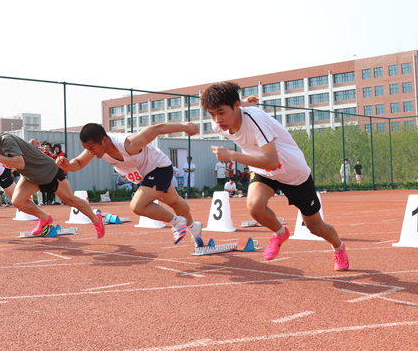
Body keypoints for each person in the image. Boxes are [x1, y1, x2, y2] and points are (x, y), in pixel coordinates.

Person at [201, 81, 348, 270]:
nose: (217, 120)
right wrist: (244, 102)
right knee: (254, 206)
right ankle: (280, 233)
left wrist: (231, 155)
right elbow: (267, 165)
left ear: (235, 107)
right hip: (265, 171)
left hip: (293, 172)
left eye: (221, 113)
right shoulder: (220, 124)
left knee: (315, 226)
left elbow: (272, 160)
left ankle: (339, 246)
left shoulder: (255, 120)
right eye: (212, 115)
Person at [59, 122, 202, 245]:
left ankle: (177, 222)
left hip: (159, 168)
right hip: (145, 177)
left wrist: (185, 127)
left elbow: (157, 129)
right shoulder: (96, 149)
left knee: (137, 206)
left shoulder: (128, 144)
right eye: (87, 149)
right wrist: (67, 165)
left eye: (91, 149)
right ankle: (195, 229)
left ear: (104, 140)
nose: (91, 153)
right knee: (175, 202)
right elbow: (78, 163)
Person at [0, 122, 105, 238]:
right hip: (32, 177)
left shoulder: (5, 141)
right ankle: (45, 219)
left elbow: (20, 163)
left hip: (48, 171)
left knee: (71, 200)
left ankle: (95, 219)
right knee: (17, 201)